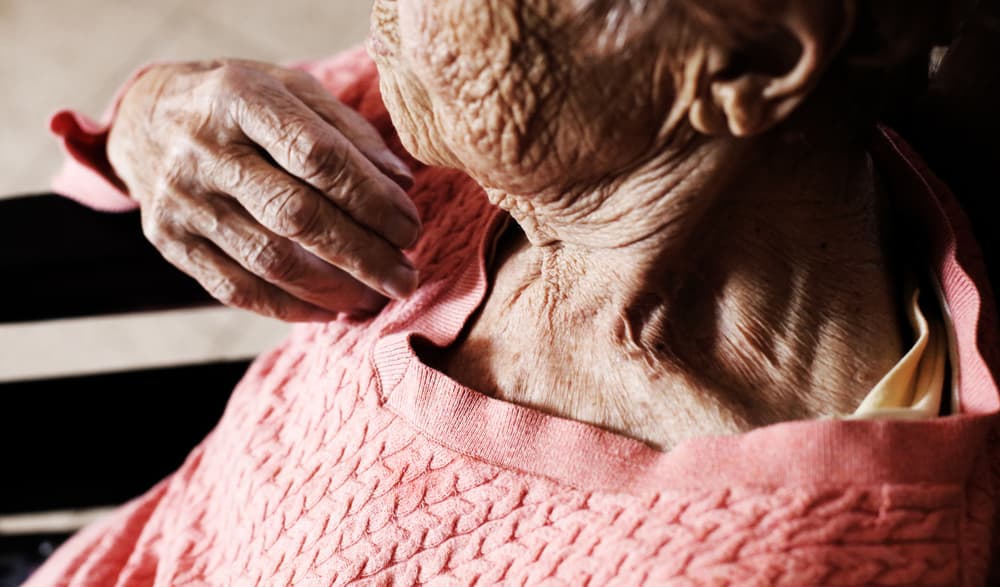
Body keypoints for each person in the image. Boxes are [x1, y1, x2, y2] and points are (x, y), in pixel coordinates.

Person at [28, 0, 1000, 583]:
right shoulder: (519, 134)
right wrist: (155, 118)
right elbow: (148, 140)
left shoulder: (782, 551)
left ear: (751, 62)